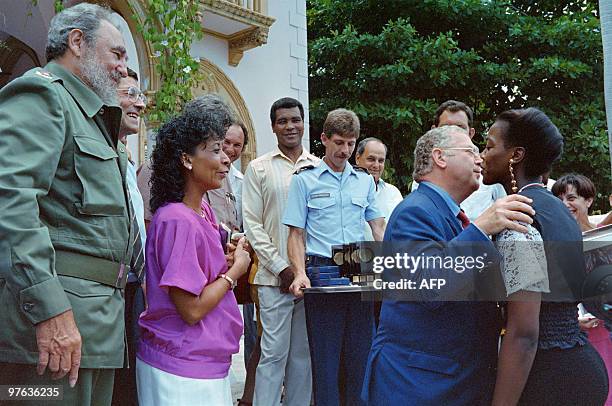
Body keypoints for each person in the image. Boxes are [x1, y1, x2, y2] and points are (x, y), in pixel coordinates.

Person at [0, 3, 134, 404]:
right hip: (50, 332)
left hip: (93, 330)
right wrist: (49, 309)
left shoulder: (92, 117)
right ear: (77, 42)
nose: (124, 68)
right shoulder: (43, 94)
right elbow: (11, 201)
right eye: (117, 53)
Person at [362, 125, 536, 405]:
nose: (480, 158)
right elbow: (432, 286)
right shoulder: (414, 212)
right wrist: (480, 229)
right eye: (470, 151)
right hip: (418, 384)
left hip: (446, 379)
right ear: (440, 157)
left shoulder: (448, 214)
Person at [481, 108, 608, 405]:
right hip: (578, 363)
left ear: (516, 155)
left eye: (488, 146)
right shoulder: (558, 210)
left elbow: (524, 332)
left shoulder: (519, 216)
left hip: (549, 375)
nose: (482, 155)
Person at [136, 110, 250, 406]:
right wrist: (234, 272)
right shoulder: (178, 220)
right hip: (182, 366)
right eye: (215, 150)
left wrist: (222, 262)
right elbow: (191, 309)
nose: (226, 158)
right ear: (187, 160)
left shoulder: (202, 212)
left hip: (202, 359)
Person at [284, 108, 385, 406]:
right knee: (326, 360)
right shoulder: (305, 180)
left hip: (358, 264)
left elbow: (377, 227)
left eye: (351, 144)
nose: (345, 150)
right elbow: (296, 234)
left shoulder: (365, 181)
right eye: (339, 142)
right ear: (324, 139)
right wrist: (300, 272)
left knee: (361, 355)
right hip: (323, 269)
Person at [244, 97, 318, 406]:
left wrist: (303, 270)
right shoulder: (258, 168)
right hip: (274, 280)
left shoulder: (317, 167)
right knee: (273, 355)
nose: (290, 126)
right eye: (282, 121)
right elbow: (252, 225)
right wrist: (282, 268)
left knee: (302, 356)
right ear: (273, 127)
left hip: (310, 279)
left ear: (303, 123)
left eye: (295, 120)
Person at [552, 173, 612, 406]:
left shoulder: (604, 237)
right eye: (559, 199)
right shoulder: (553, 244)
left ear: (588, 201)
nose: (565, 204)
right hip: (580, 335)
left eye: (572, 198)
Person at [112, 67, 147, 406]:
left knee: (129, 371)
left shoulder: (126, 159)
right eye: (131, 95)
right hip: (107, 286)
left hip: (134, 282)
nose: (141, 104)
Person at [411, 100, 506, 220]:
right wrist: (481, 228)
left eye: (459, 128)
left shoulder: (490, 172)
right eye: (446, 128)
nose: (453, 132)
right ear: (433, 132)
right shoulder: (423, 185)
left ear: (471, 133)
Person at [355, 137, 403, 241]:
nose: (376, 165)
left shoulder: (393, 192)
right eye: (371, 159)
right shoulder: (346, 190)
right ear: (357, 158)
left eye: (381, 161)